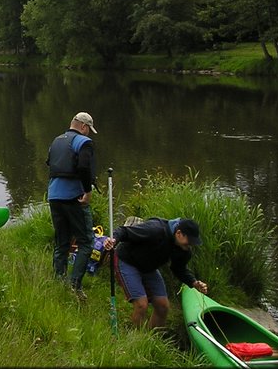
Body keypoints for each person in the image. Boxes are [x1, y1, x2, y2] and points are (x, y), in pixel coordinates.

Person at [103, 217, 209, 329]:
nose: (190, 245)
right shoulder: (155, 229)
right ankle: (137, 340)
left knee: (163, 306)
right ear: (179, 233)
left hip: (149, 268)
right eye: (189, 241)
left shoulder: (183, 250)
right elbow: (124, 231)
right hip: (128, 261)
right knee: (141, 305)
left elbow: (179, 269)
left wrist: (193, 282)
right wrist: (113, 239)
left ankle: (151, 337)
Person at [46, 112, 98, 299]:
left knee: (62, 242)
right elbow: (84, 167)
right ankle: (75, 286)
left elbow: (50, 164)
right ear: (83, 127)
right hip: (73, 197)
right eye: (89, 130)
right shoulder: (83, 142)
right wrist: (87, 191)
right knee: (86, 242)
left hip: (54, 196)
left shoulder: (56, 141)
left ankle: (59, 281)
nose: (89, 134)